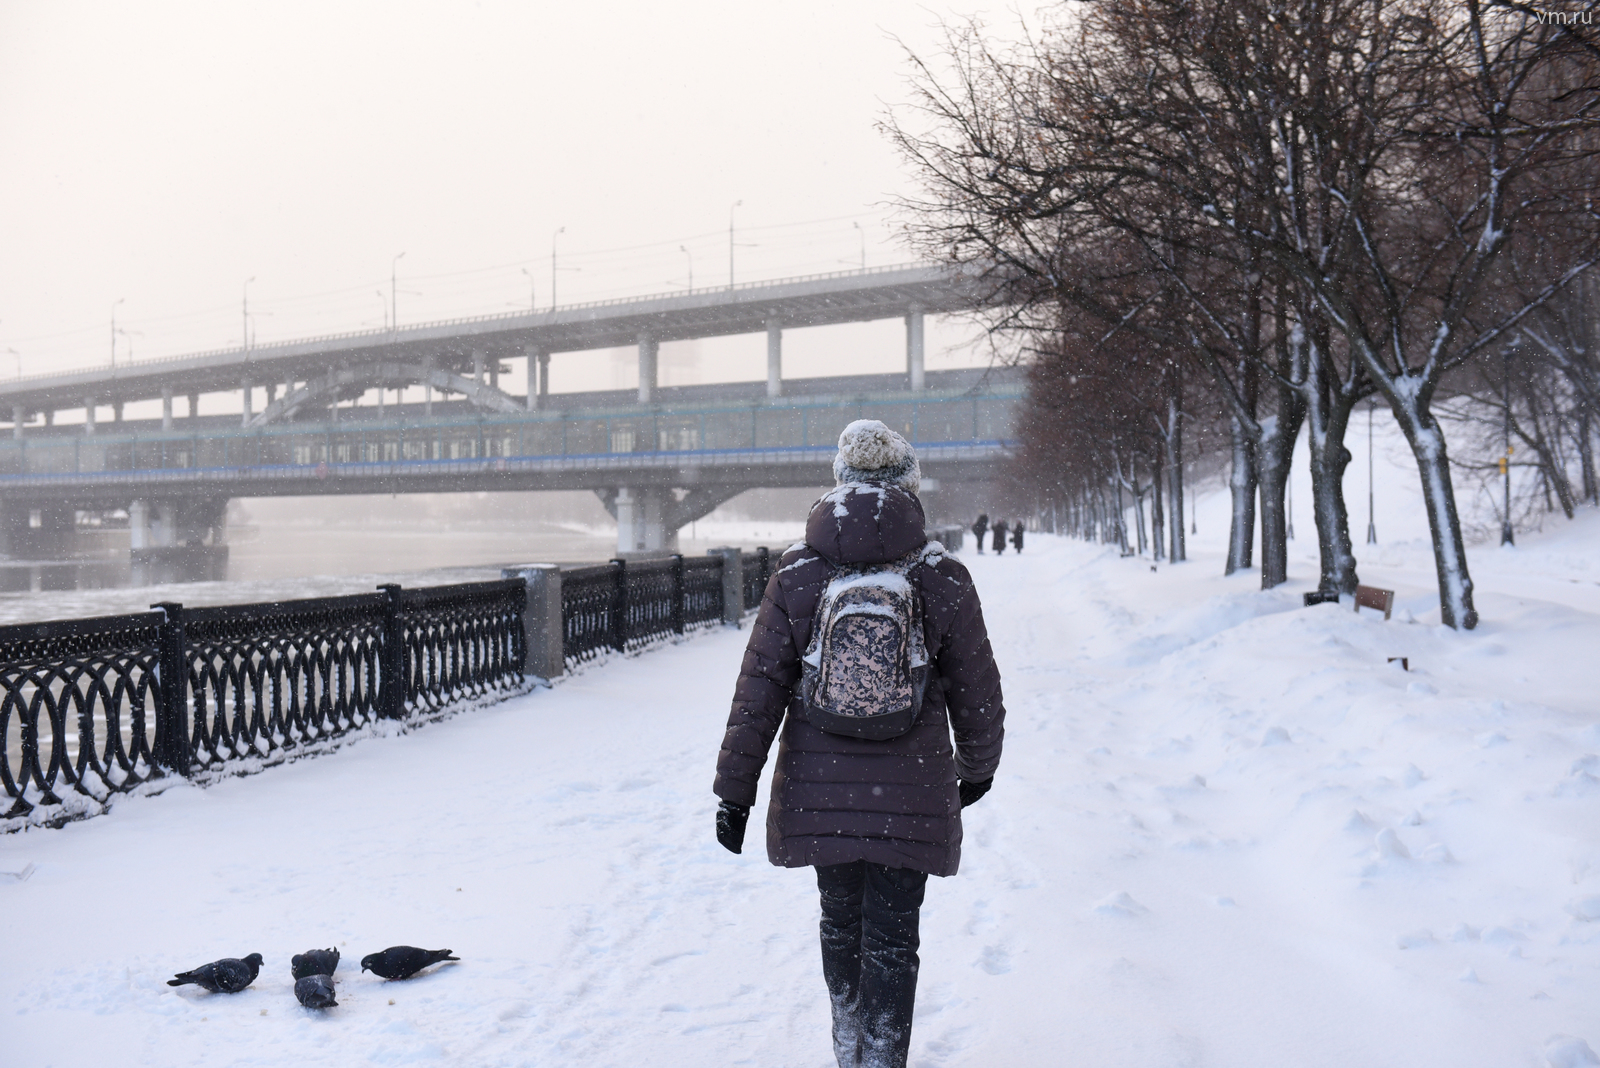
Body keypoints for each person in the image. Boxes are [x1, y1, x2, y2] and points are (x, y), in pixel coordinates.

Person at [713, 419, 1006, 1068]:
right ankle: (880, 1059)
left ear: (839, 485)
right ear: (910, 488)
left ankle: (848, 1045)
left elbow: (757, 693)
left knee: (839, 921)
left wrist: (735, 794)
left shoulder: (797, 573)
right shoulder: (942, 575)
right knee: (894, 940)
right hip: (913, 790)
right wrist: (977, 769)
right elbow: (977, 692)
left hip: (821, 791)